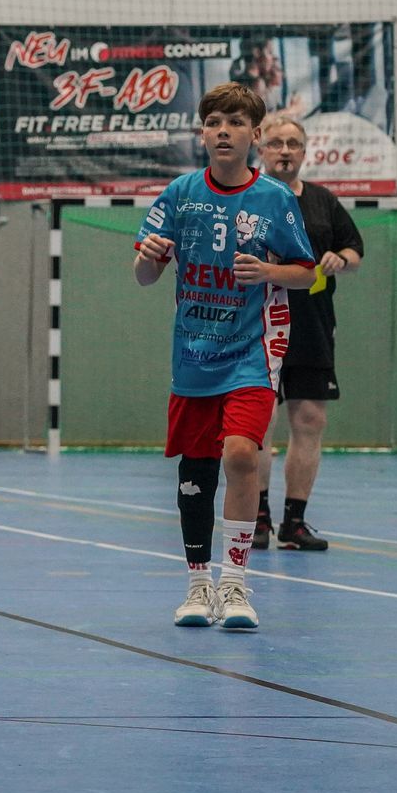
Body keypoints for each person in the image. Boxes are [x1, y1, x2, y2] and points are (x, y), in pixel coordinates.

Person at [136, 82, 318, 631]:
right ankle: (198, 585)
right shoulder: (180, 193)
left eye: (236, 123)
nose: (224, 131)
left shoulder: (275, 200)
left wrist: (268, 271)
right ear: (202, 133)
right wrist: (150, 257)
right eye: (214, 122)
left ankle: (235, 584)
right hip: (194, 354)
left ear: (254, 135)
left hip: (252, 353)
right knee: (196, 466)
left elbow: (306, 273)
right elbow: (144, 277)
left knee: (240, 453)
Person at [251, 117, 365, 551]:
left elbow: (353, 250)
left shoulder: (322, 201)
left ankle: (294, 523)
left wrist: (341, 259)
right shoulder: (247, 196)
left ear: (303, 151)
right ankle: (257, 517)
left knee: (310, 420)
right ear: (261, 148)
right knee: (259, 422)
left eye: (293, 144)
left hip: (312, 325)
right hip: (256, 323)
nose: (285, 150)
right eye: (276, 143)